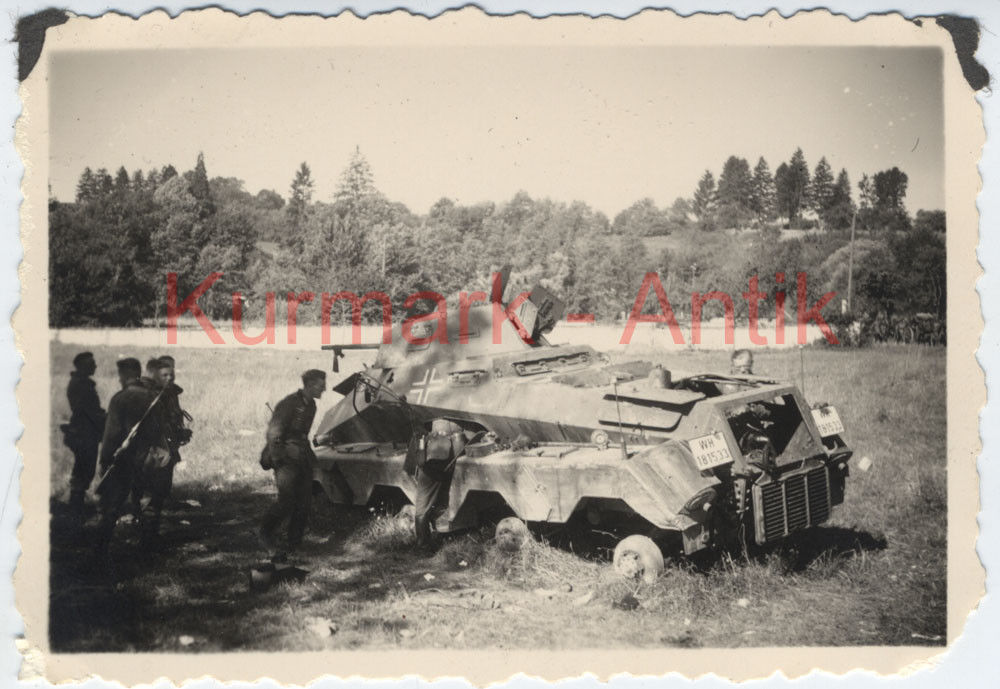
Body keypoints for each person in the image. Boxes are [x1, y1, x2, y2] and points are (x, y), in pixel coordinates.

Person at [94, 357, 167, 555]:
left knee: (111, 505)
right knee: (146, 503)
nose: (119, 379)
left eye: (120, 375)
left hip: (124, 461)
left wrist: (105, 461)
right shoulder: (154, 398)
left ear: (126, 375)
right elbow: (160, 432)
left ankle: (100, 550)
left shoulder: (120, 399)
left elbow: (111, 435)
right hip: (147, 459)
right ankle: (148, 549)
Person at [258, 369, 327, 561]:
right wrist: (279, 458)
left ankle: (294, 544)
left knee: (304, 503)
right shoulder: (289, 404)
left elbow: (302, 435)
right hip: (286, 459)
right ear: (310, 385)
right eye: (321, 386)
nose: (324, 389)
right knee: (286, 501)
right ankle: (264, 534)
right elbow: (274, 433)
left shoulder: (311, 405)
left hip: (302, 457)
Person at [413, 418, 470, 551]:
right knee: (423, 506)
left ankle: (424, 544)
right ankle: (423, 545)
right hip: (434, 464)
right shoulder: (453, 427)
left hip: (431, 462)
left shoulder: (434, 424)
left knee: (423, 506)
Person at [63, 352, 106, 520]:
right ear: (82, 366)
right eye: (91, 363)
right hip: (84, 433)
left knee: (84, 469)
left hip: (85, 431)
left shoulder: (82, 383)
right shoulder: (81, 385)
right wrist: (104, 418)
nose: (95, 366)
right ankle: (76, 507)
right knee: (84, 469)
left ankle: (76, 505)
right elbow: (87, 411)